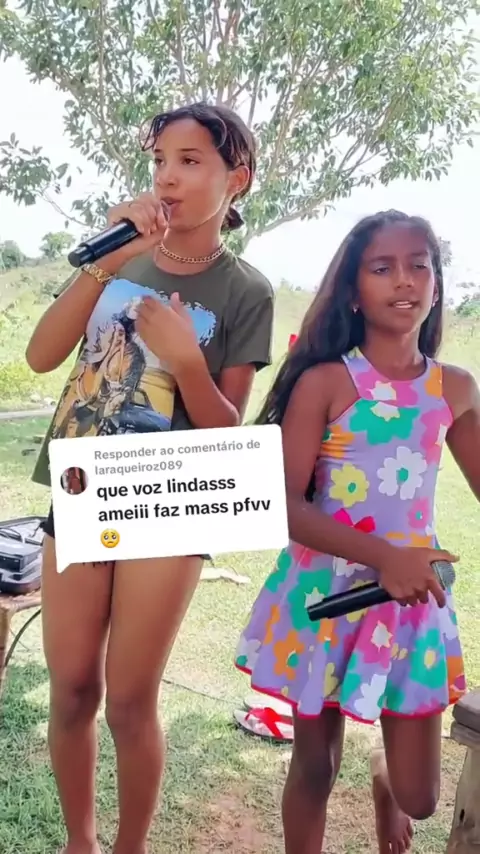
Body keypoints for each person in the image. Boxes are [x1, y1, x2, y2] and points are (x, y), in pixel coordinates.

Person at [27, 102, 274, 854]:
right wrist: (105, 261)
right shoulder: (118, 262)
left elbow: (227, 429)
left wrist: (186, 359)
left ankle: (129, 847)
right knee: (72, 687)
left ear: (236, 180)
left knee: (130, 701)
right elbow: (41, 356)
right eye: (160, 160)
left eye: (190, 161)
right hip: (81, 491)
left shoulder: (246, 290)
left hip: (173, 502)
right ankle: (80, 842)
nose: (167, 176)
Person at [235, 209, 477, 854]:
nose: (405, 280)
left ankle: (383, 779)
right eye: (382, 267)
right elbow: (285, 505)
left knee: (422, 798)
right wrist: (385, 557)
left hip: (411, 602)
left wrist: (400, 567)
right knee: (314, 764)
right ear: (352, 290)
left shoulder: (454, 389)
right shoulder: (326, 382)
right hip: (325, 593)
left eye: (419, 265)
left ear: (436, 282)